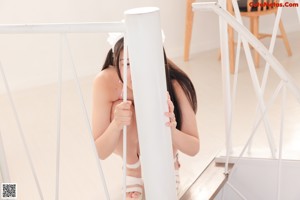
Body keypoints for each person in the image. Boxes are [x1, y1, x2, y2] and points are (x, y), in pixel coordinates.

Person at [92, 36, 199, 200]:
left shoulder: (174, 84)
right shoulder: (105, 81)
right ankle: (132, 168)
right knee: (120, 107)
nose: (136, 71)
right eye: (126, 64)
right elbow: (100, 151)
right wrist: (117, 123)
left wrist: (170, 129)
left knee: (160, 108)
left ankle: (168, 162)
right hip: (130, 145)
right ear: (117, 64)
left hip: (163, 146)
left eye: (143, 61)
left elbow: (193, 148)